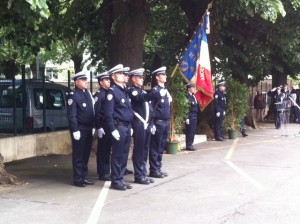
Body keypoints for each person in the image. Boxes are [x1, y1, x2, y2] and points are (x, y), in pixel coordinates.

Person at [104, 64, 134, 191]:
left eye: (123, 73)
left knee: (124, 154)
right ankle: (115, 180)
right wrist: (112, 129)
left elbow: (128, 111)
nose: (123, 75)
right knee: (117, 154)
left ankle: (120, 178)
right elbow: (108, 114)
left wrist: (131, 126)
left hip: (127, 126)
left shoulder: (124, 91)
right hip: (119, 127)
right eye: (120, 73)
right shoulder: (112, 92)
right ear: (113, 76)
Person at [67, 71, 95, 187]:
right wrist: (75, 130)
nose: (86, 82)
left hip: (88, 128)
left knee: (86, 154)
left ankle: (84, 176)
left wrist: (93, 126)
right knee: (79, 155)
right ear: (76, 82)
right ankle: (78, 179)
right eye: (83, 80)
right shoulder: (73, 95)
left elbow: (91, 112)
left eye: (86, 80)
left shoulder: (87, 94)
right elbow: (71, 115)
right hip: (80, 129)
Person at [127, 68, 155, 185]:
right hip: (138, 124)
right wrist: (155, 93)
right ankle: (138, 175)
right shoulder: (133, 91)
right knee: (139, 151)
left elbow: (150, 109)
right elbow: (140, 99)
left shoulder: (142, 91)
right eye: (139, 77)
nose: (142, 79)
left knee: (144, 150)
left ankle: (143, 173)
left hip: (146, 124)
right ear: (133, 79)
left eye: (142, 77)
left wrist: (151, 123)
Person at [149, 66, 171, 178]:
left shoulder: (165, 91)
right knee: (155, 146)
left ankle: (158, 167)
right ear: (157, 77)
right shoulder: (155, 91)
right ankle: (153, 169)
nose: (165, 76)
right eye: (163, 75)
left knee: (161, 146)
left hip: (165, 122)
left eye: (165, 74)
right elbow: (151, 108)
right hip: (158, 122)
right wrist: (151, 123)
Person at [94, 71, 112, 181]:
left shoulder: (108, 93)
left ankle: (106, 170)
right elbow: (96, 113)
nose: (109, 81)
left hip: (108, 125)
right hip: (103, 126)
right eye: (106, 80)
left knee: (107, 149)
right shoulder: (99, 95)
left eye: (109, 79)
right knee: (102, 150)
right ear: (101, 82)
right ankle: (102, 172)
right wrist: (98, 126)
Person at [185, 83, 199, 151]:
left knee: (193, 131)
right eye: (192, 88)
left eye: (194, 88)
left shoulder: (193, 96)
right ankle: (188, 145)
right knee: (189, 131)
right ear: (188, 89)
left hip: (195, 115)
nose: (194, 89)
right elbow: (186, 108)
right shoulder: (187, 96)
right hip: (190, 116)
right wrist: (186, 117)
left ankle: (191, 144)